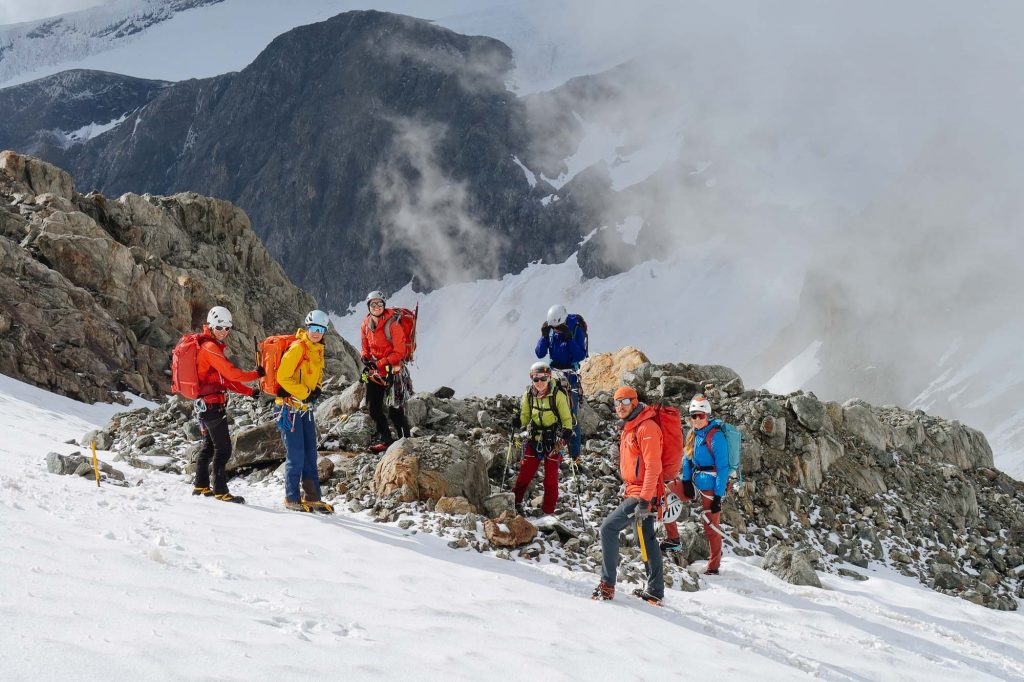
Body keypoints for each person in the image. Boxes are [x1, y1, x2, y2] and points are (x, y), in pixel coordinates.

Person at [592, 385, 664, 604]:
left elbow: (654, 467)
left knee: (608, 528)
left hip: (643, 493)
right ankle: (655, 591)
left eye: (624, 402)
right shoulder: (630, 427)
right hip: (635, 491)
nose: (619, 407)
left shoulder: (646, 427)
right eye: (616, 403)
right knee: (646, 541)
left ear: (634, 402)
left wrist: (644, 500)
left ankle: (607, 585)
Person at [192, 306, 263, 504]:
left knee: (208, 445)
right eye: (220, 327)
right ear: (212, 326)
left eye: (227, 328)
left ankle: (201, 485)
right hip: (212, 406)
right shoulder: (210, 348)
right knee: (223, 448)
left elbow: (224, 380)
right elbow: (231, 374)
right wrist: (256, 374)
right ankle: (220, 490)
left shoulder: (208, 345)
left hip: (204, 406)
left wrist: (250, 391)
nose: (224, 332)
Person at [275, 310, 332, 513]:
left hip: (304, 408)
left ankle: (313, 498)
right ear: (307, 328)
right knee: (296, 453)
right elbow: (282, 376)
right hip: (288, 407)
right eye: (313, 328)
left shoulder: (318, 348)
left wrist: (317, 389)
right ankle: (291, 498)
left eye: (321, 329)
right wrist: (305, 392)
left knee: (310, 452)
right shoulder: (298, 348)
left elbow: (318, 373)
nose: (316, 333)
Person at [511, 361, 574, 516]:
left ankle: (548, 512)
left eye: (543, 378)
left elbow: (567, 419)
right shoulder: (528, 394)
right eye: (535, 379)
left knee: (551, 480)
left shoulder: (558, 395)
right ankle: (515, 503)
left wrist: (566, 433)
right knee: (524, 474)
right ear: (531, 379)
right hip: (535, 439)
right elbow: (525, 417)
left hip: (554, 442)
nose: (539, 382)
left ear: (549, 377)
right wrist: (518, 421)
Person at [678, 394, 730, 575]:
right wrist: (685, 480)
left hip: (710, 486)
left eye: (700, 416)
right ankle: (672, 543)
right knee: (668, 493)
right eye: (694, 416)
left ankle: (714, 566)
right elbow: (687, 458)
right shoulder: (692, 434)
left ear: (707, 415)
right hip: (695, 481)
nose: (697, 419)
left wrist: (718, 496)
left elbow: (723, 468)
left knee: (711, 527)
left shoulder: (717, 437)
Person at [360, 291, 412, 452]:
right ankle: (386, 438)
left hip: (394, 372)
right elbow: (365, 347)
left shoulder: (393, 325)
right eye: (373, 304)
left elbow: (399, 353)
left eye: (379, 304)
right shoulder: (366, 324)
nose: (376, 307)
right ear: (369, 307)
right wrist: (365, 358)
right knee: (373, 407)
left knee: (395, 409)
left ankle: (406, 441)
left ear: (384, 305)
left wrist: (380, 363)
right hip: (376, 372)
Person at [534, 304, 587, 461]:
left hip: (570, 374)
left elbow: (580, 355)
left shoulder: (576, 328)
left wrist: (569, 338)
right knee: (551, 411)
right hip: (554, 373)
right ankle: (556, 451)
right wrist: (544, 336)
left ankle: (575, 455)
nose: (555, 330)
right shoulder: (551, 330)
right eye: (553, 328)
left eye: (557, 328)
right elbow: (539, 353)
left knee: (571, 415)